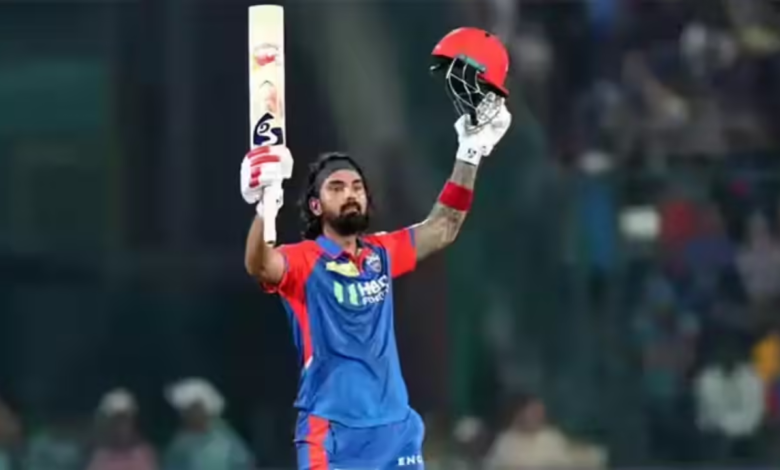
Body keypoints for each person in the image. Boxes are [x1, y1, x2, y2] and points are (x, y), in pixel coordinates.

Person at [240, 28, 513, 470]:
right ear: (316, 205)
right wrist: (264, 208)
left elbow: (444, 226)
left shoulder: (381, 254)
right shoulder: (303, 262)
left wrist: (470, 151)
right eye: (336, 188)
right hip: (331, 433)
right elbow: (259, 264)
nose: (350, 194)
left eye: (356, 187)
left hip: (394, 430)